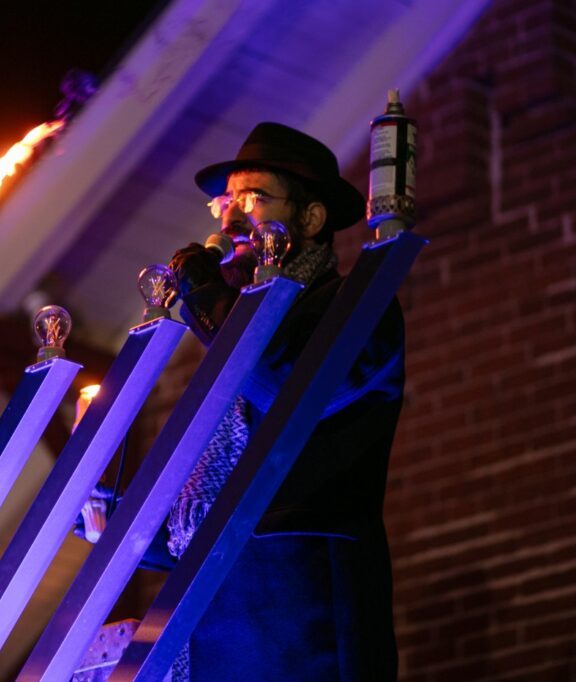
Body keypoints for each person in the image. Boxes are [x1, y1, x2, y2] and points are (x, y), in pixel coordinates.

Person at [151, 122, 404, 680]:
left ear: (311, 220)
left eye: (255, 197)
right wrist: (101, 510)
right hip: (209, 627)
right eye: (226, 201)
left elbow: (289, 389)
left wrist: (212, 305)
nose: (232, 218)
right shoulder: (227, 335)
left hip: (299, 623)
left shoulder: (355, 306)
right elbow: (187, 523)